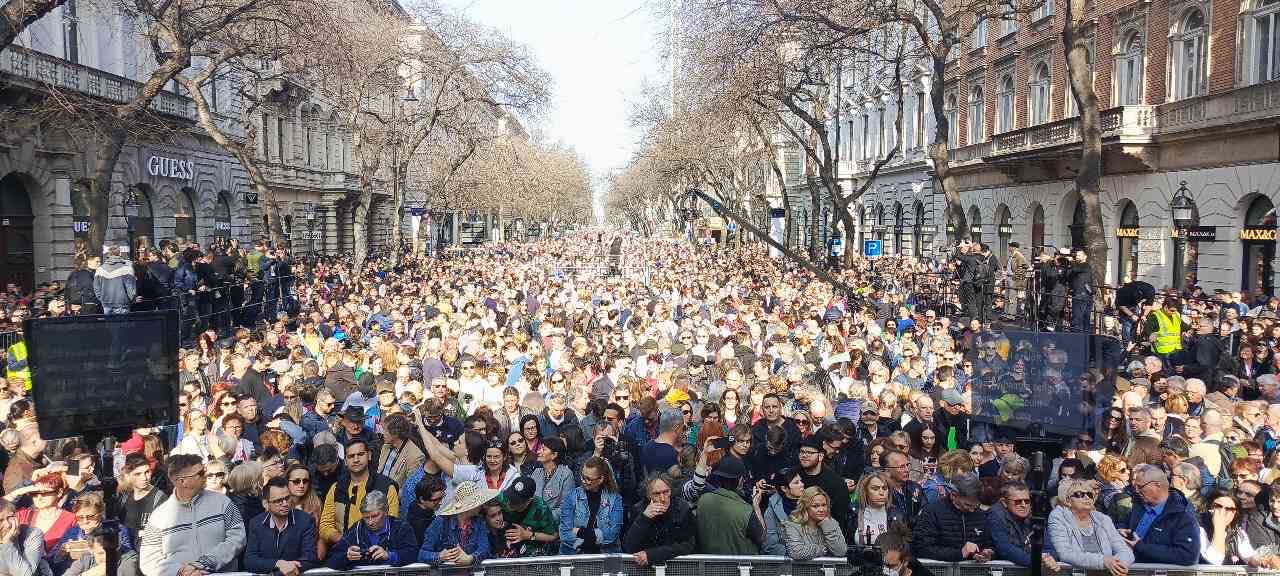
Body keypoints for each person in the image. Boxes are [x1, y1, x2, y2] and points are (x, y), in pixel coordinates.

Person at [139, 454, 246, 576]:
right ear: (182, 481)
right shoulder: (158, 517)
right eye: (200, 473)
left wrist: (206, 563)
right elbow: (149, 560)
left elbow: (238, 538)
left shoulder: (223, 502)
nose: (205, 475)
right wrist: (180, 571)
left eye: (204, 470)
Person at [318, 439, 399, 550]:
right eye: (351, 456)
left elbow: (392, 524)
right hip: (344, 553)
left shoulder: (386, 487)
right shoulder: (336, 488)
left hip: (377, 552)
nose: (356, 459)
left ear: (369, 455)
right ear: (345, 461)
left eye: (360, 454)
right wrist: (344, 541)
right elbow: (325, 526)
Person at [1047, 477, 1134, 575]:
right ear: (1067, 500)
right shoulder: (1058, 516)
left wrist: (1119, 564)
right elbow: (1065, 553)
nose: (1087, 497)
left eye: (1089, 494)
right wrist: (1104, 561)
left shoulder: (1103, 519)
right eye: (1079, 494)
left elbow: (1125, 550)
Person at [1121, 463, 1199, 565]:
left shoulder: (1182, 514)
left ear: (1157, 485)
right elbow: (1123, 524)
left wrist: (1141, 547)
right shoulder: (1136, 504)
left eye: (1140, 487)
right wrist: (1119, 531)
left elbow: (1188, 555)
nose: (1136, 490)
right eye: (1135, 486)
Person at [243, 477, 319, 576]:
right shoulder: (256, 523)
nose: (285, 504)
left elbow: (310, 558)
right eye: (278, 501)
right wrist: (278, 564)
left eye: (287, 498)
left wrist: (281, 572)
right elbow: (250, 560)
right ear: (265, 503)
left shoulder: (305, 520)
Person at [911, 472, 992, 562]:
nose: (972, 510)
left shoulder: (979, 514)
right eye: (967, 505)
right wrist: (959, 553)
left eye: (976, 505)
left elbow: (988, 543)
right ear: (954, 495)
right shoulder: (933, 511)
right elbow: (922, 548)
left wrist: (987, 552)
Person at [324, 490, 417, 569]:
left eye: (375, 516)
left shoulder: (401, 527)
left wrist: (389, 555)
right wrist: (346, 557)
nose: (370, 522)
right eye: (366, 517)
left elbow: (413, 554)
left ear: (386, 511)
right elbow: (331, 560)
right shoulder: (357, 529)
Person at [622, 474, 695, 567]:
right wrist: (644, 518)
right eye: (656, 494)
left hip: (676, 567)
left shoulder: (681, 507)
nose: (663, 498)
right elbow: (629, 547)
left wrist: (653, 555)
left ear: (671, 491)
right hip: (645, 569)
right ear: (648, 495)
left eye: (666, 492)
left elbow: (688, 545)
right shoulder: (639, 509)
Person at [417, 481, 495, 566]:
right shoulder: (441, 522)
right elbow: (421, 555)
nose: (481, 505)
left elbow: (485, 549)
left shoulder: (479, 522)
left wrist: (471, 558)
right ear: (469, 506)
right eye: (478, 502)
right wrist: (439, 556)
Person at [558, 457, 624, 554]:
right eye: (582, 476)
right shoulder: (571, 496)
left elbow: (612, 534)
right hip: (575, 554)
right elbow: (564, 533)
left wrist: (581, 532)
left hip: (605, 555)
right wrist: (592, 538)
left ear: (601, 479)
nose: (584, 481)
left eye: (588, 479)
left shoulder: (615, 499)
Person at [700, 456, 763, 554]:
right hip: (740, 568)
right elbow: (762, 537)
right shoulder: (745, 510)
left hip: (708, 566)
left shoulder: (703, 500)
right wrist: (756, 507)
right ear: (740, 480)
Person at [986, 480, 1055, 568]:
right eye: (1018, 501)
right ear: (1004, 502)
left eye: (1027, 501)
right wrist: (1036, 560)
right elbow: (1005, 549)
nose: (1023, 505)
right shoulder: (995, 515)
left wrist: (1047, 558)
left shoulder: (1034, 514)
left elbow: (1050, 548)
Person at [493, 476, 558, 557]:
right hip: (505, 545)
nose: (509, 502)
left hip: (533, 549)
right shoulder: (503, 498)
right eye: (510, 496)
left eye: (515, 501)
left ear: (528, 501)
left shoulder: (541, 508)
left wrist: (528, 535)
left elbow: (553, 536)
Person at [780, 486, 847, 560]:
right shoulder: (793, 525)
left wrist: (827, 526)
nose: (821, 509)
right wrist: (822, 549)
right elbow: (797, 552)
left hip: (828, 570)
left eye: (824, 505)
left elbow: (841, 551)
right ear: (805, 506)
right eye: (815, 506)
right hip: (801, 570)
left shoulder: (831, 523)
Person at [0, 499, 50, 576]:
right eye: (0, 520)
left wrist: (7, 543)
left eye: (10, 517)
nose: (8, 525)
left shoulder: (33, 534)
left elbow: (25, 574)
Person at [94, 244, 136, 315]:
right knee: (122, 326)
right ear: (119, 253)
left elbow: (96, 289)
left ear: (108, 254)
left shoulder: (100, 270)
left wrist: (103, 300)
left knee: (109, 325)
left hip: (106, 305)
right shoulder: (127, 269)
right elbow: (131, 291)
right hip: (122, 305)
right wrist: (129, 301)